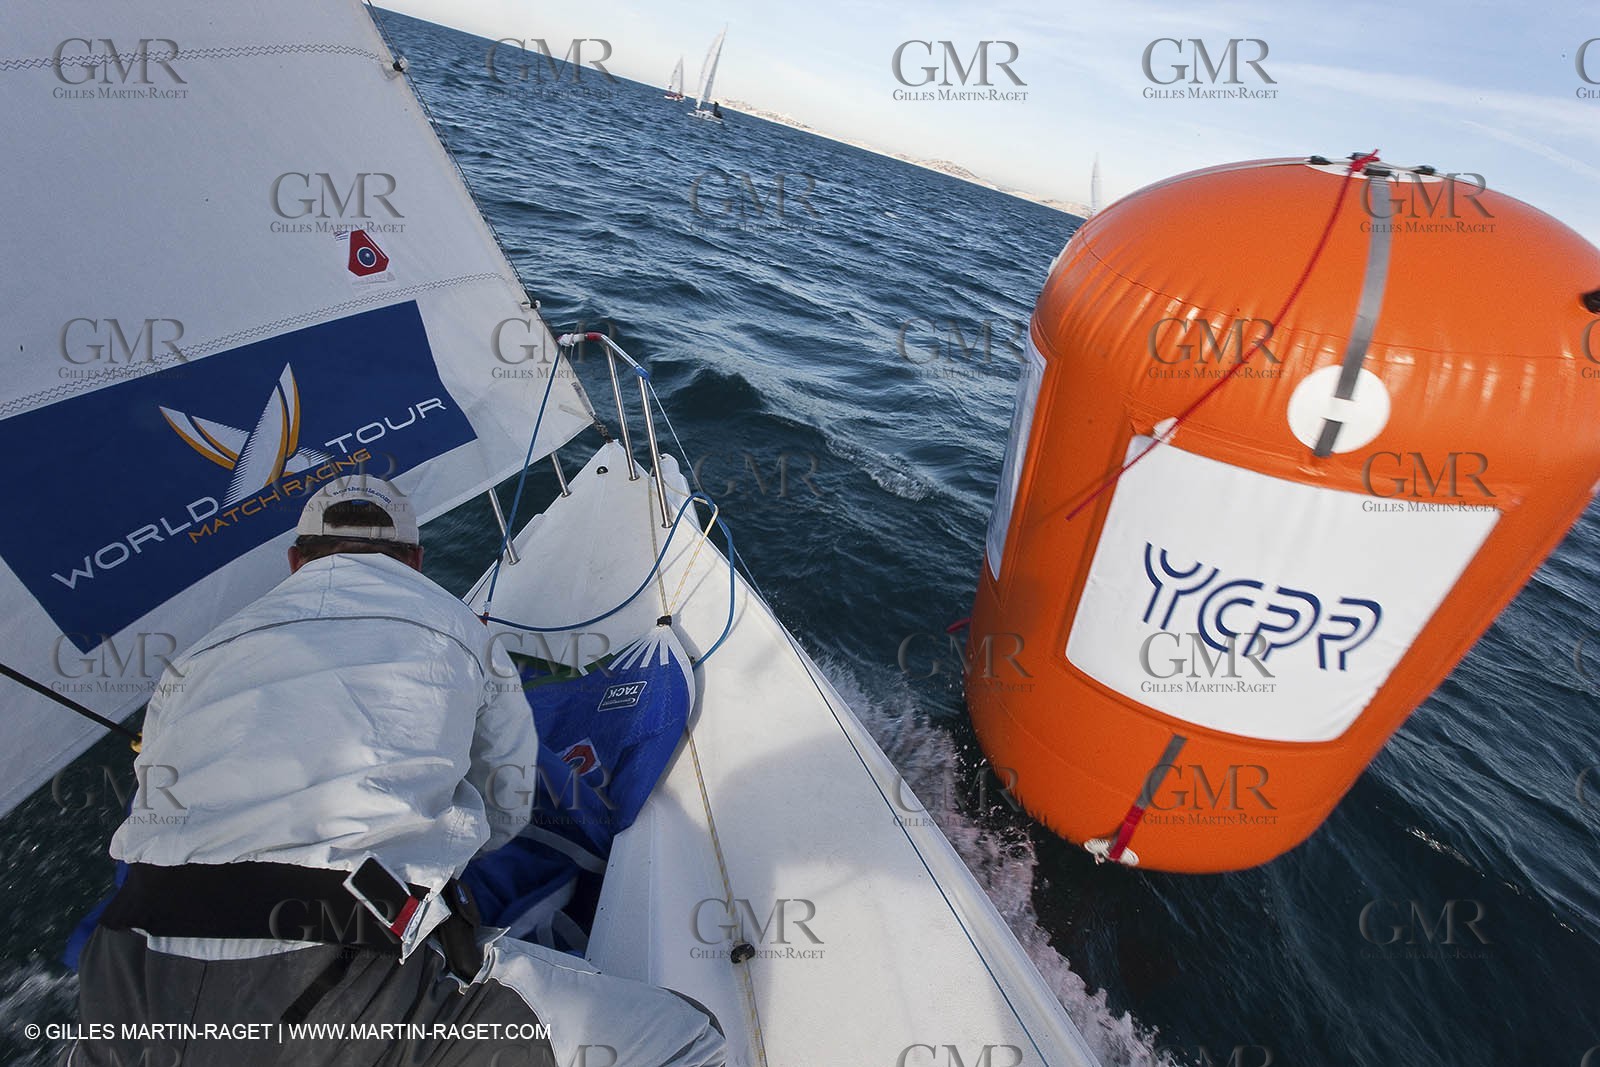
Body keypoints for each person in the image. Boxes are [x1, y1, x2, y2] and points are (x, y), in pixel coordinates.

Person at [65, 477, 725, 1067]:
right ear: (414, 559)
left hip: (120, 976)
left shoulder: (191, 661)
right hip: (337, 979)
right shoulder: (457, 626)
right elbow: (506, 808)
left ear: (296, 560)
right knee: (689, 1042)